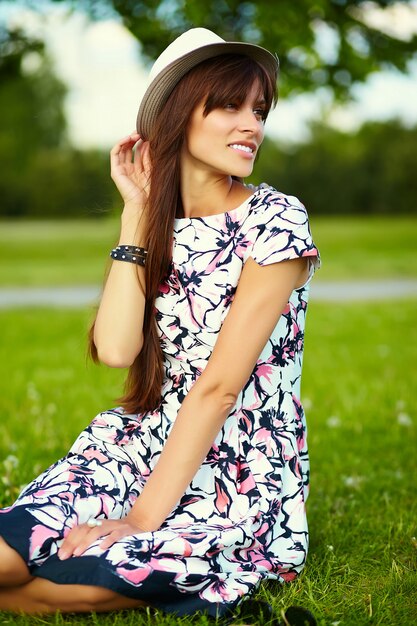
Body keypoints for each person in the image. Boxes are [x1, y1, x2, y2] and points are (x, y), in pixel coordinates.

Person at [0, 27, 320, 620]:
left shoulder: (275, 220)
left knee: (86, 582)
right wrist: (135, 215)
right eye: (229, 105)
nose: (252, 124)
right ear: (178, 113)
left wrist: (139, 519)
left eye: (259, 109)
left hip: (236, 465)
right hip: (136, 441)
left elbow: (219, 388)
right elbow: (118, 349)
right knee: (8, 560)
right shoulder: (154, 224)